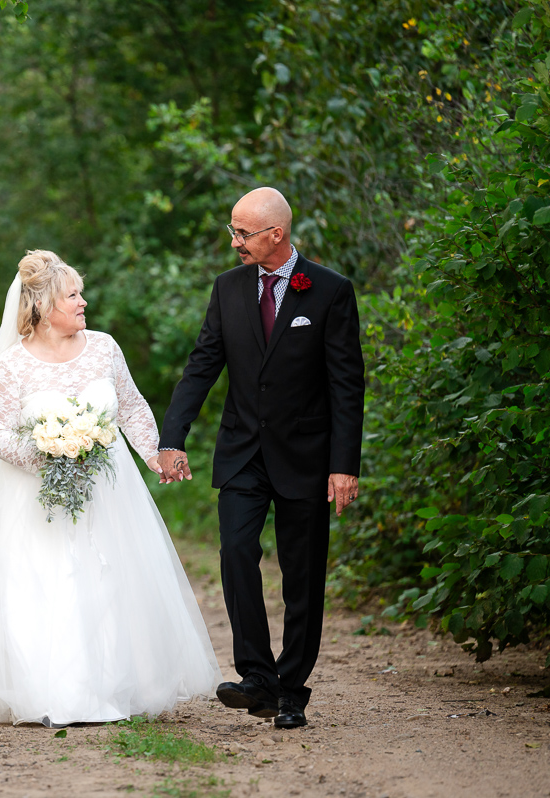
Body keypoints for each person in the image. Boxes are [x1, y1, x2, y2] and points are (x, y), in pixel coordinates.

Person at [0, 250, 222, 727]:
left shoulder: (103, 347)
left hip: (109, 493)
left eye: (80, 293)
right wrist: (48, 455)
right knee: (49, 580)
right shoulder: (12, 365)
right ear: (41, 305)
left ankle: (111, 685)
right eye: (72, 295)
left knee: (109, 577)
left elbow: (131, 407)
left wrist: (156, 454)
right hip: (39, 496)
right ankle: (54, 691)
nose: (83, 302)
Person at [154, 187, 365, 730]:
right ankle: (257, 676)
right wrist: (172, 437)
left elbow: (347, 385)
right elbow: (202, 366)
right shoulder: (227, 288)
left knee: (303, 576)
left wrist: (344, 464)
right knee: (236, 552)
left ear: (277, 234)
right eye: (232, 230)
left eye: (243, 232)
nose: (235, 241)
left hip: (307, 457)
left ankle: (291, 690)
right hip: (243, 451)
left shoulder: (329, 291)